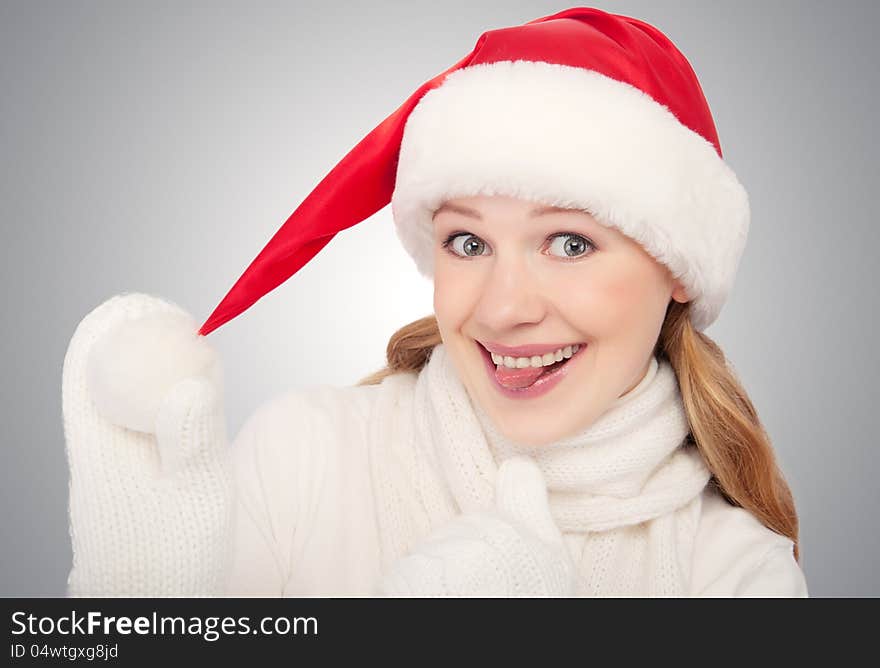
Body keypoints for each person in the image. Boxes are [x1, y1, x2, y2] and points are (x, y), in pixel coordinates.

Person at [62, 6, 808, 597]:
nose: (504, 309)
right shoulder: (304, 456)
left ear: (678, 267)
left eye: (570, 243)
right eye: (468, 244)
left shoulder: (736, 575)